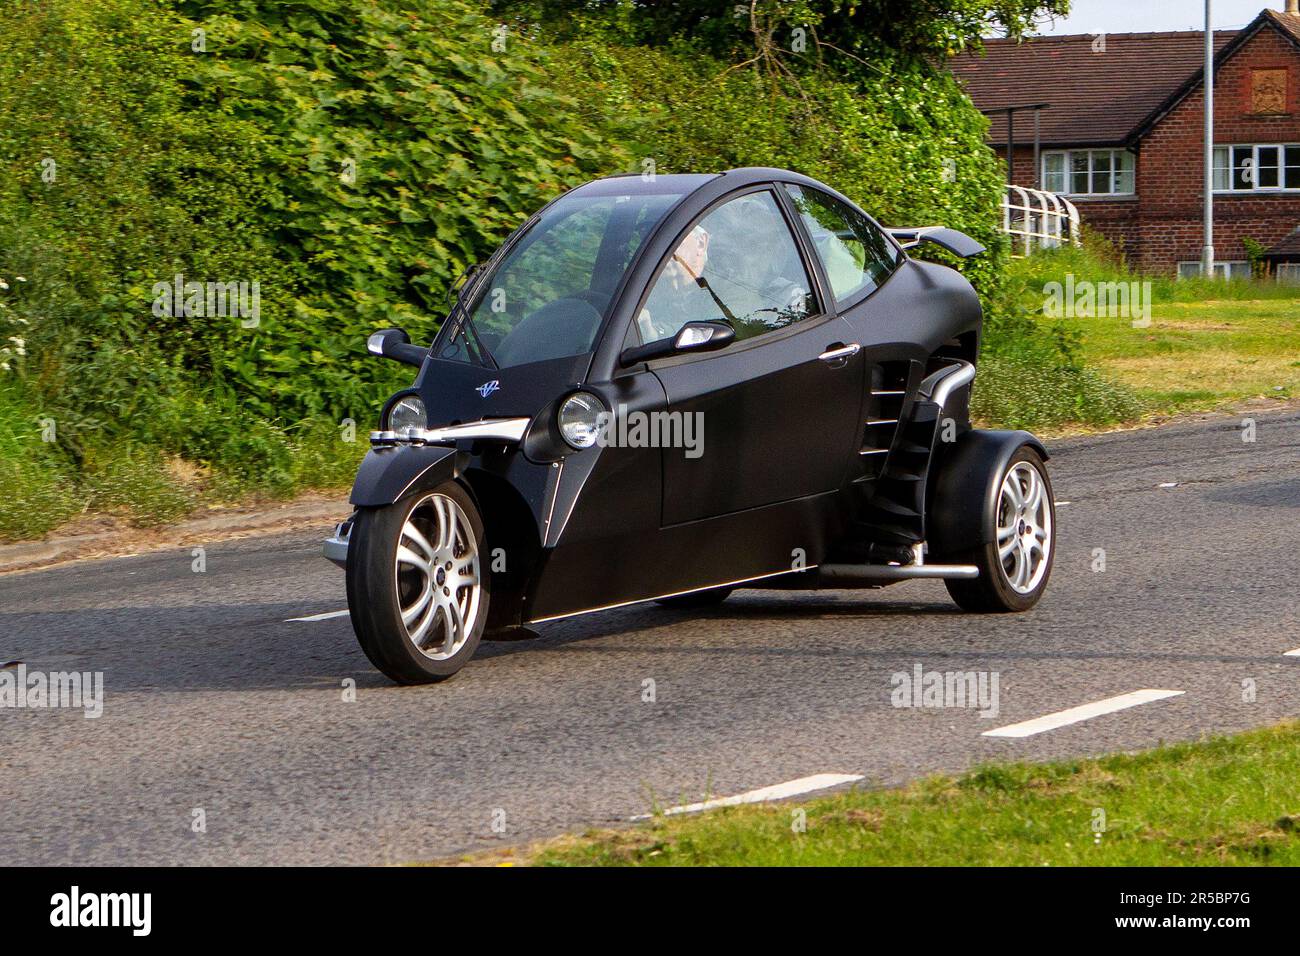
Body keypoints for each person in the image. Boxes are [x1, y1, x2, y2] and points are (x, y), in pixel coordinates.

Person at [636, 225, 718, 342]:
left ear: (701, 243)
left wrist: (656, 332)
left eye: (671, 240)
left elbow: (712, 335)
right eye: (650, 246)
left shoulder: (724, 294)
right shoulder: (641, 288)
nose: (658, 254)